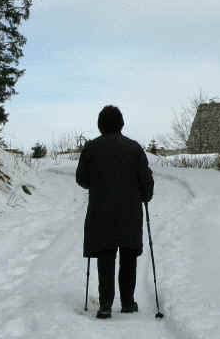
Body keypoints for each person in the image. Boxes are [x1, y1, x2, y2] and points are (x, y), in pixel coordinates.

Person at [76, 105, 154, 319]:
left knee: (105, 256)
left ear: (100, 125)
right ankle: (128, 303)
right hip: (130, 212)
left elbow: (81, 179)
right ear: (121, 124)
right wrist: (146, 193)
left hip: (101, 212)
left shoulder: (92, 148)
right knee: (128, 255)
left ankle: (105, 305)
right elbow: (146, 184)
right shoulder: (134, 148)